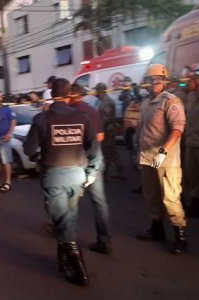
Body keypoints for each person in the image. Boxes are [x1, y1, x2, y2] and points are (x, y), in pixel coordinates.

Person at [23, 78, 102, 286]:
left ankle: (79, 271)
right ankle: (63, 259)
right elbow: (95, 151)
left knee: (64, 221)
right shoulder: (83, 118)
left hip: (54, 178)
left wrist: (37, 155)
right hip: (78, 177)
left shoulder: (42, 119)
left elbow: (28, 149)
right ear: (69, 95)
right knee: (68, 218)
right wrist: (91, 174)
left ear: (51, 94)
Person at [136, 63, 187, 255]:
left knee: (171, 198)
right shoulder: (146, 103)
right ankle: (157, 230)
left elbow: (178, 128)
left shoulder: (171, 101)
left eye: (158, 79)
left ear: (164, 81)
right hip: (147, 156)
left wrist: (163, 151)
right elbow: (144, 129)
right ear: (147, 82)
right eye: (151, 79)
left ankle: (180, 237)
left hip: (166, 159)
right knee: (151, 196)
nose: (155, 82)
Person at [70, 83, 111, 254]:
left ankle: (68, 239)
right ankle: (104, 240)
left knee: (70, 202)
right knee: (99, 202)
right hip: (94, 161)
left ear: (71, 95)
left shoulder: (70, 113)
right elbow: (100, 136)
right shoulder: (92, 111)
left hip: (75, 162)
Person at [96, 82, 125, 180]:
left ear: (100, 91)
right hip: (109, 129)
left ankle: (105, 174)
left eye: (96, 92)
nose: (95, 94)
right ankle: (120, 170)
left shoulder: (106, 102)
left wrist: (101, 131)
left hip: (108, 130)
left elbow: (106, 118)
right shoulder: (105, 101)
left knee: (107, 152)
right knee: (112, 151)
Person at [182, 63, 199, 217]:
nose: (188, 82)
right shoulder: (191, 96)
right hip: (191, 142)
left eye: (191, 79)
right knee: (192, 175)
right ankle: (195, 202)